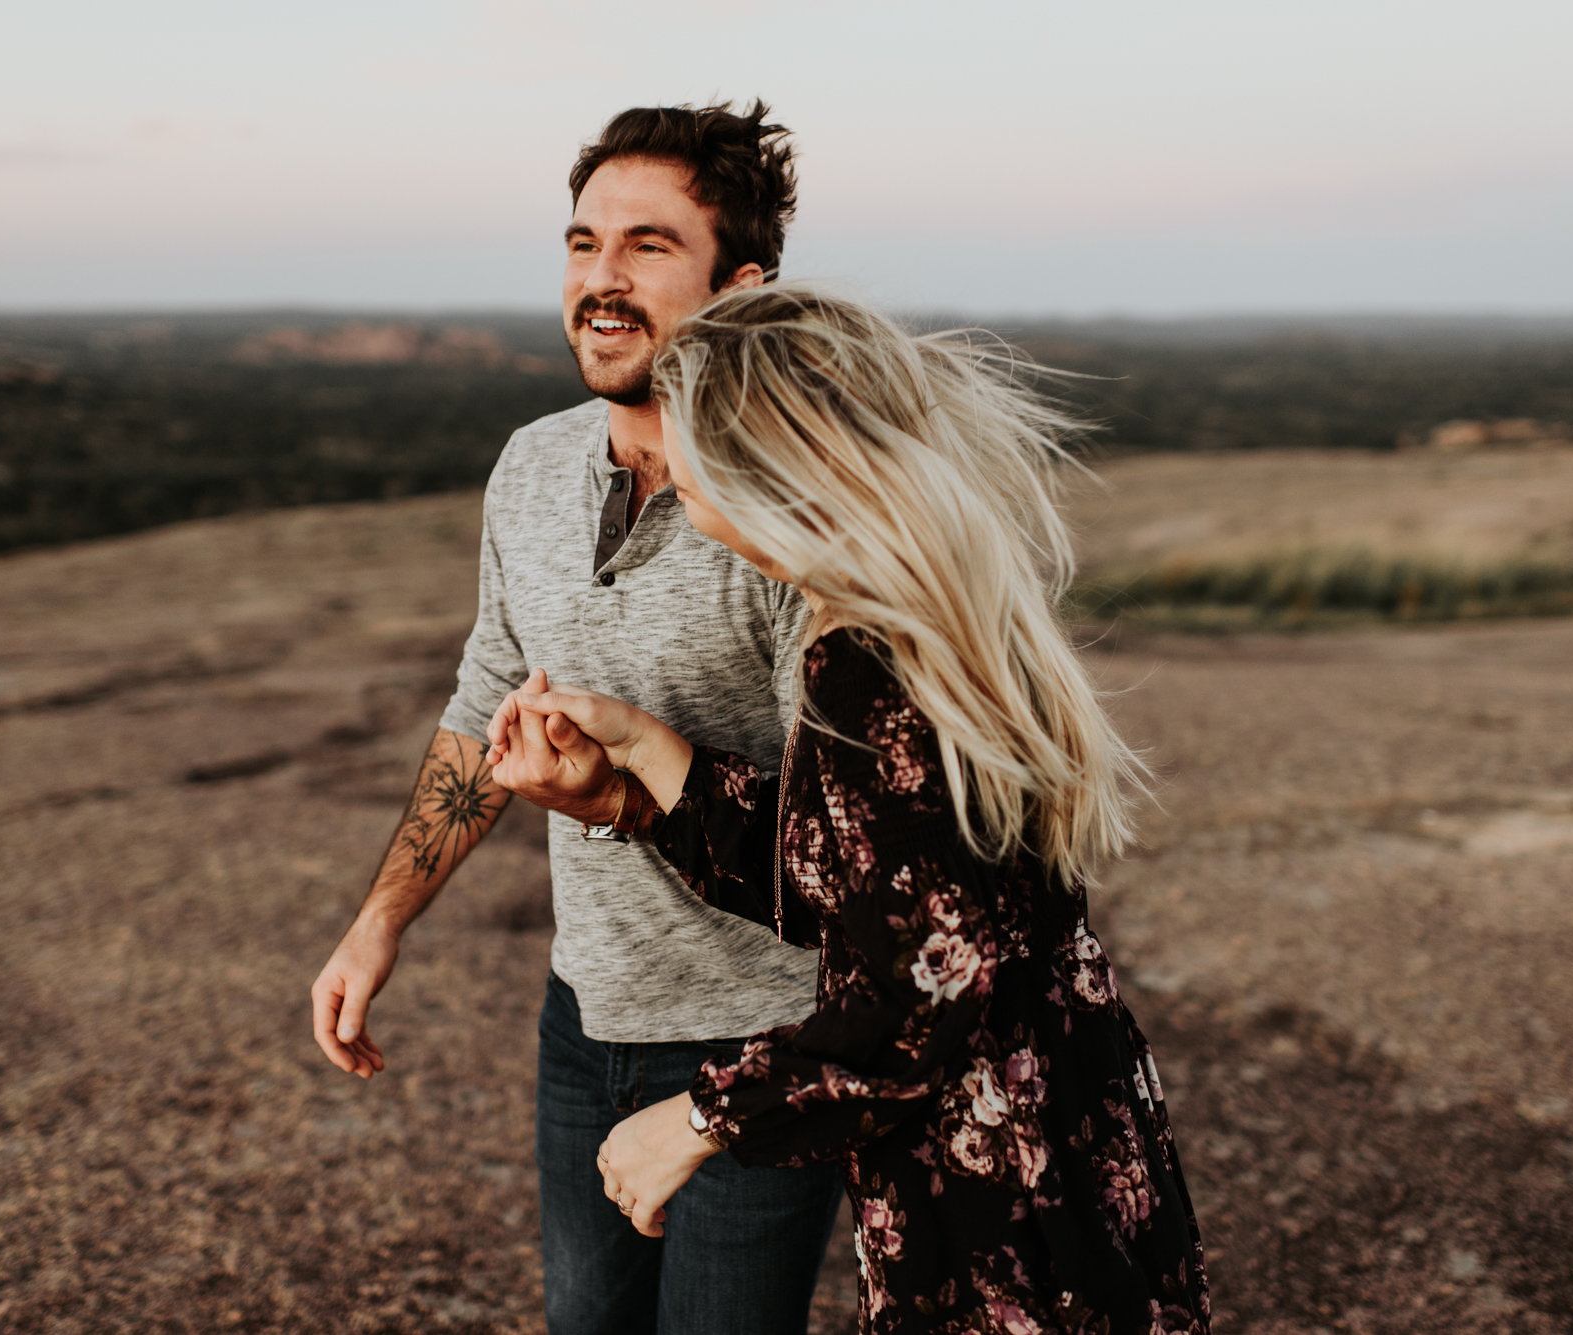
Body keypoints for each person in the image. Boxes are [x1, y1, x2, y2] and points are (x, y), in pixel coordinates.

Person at [486, 285, 1213, 1334]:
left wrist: (692, 1122)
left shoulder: (870, 665)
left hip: (1002, 1195)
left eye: (692, 472)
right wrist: (646, 765)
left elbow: (912, 998)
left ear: (773, 472)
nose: (678, 491)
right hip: (1050, 1132)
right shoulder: (921, 618)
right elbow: (859, 885)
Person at [307, 104, 842, 1334]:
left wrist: (624, 790)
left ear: (740, 289)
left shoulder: (799, 516)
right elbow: (486, 694)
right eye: (581, 241)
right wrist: (379, 919)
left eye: (648, 247)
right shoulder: (532, 466)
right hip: (583, 1019)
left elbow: (854, 841)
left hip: (764, 1041)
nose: (600, 279)